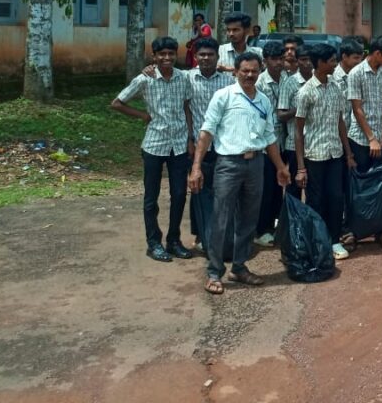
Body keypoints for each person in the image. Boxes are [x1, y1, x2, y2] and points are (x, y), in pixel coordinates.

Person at [190, 53, 291, 295]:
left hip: (256, 164)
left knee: (249, 218)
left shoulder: (264, 101)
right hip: (228, 164)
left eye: (254, 71)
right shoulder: (224, 96)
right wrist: (196, 167)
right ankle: (214, 272)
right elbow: (206, 132)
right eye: (245, 70)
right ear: (236, 71)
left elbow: (269, 138)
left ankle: (239, 266)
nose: (249, 75)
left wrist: (280, 167)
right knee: (220, 218)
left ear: (260, 71)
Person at [111, 37, 194, 262]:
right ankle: (153, 242)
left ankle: (174, 240)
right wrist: (143, 116)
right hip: (154, 145)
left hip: (178, 145)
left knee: (178, 194)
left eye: (170, 54)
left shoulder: (183, 78)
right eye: (162, 54)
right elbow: (117, 102)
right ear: (154, 56)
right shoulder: (144, 79)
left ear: (175, 55)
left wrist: (189, 138)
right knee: (151, 196)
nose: (166, 58)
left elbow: (187, 107)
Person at [295, 43, 354, 261]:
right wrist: (301, 167)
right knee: (315, 200)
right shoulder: (306, 92)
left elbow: (340, 122)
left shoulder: (336, 87)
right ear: (319, 63)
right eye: (330, 61)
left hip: (335, 154)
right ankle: (318, 241)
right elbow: (298, 131)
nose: (334, 64)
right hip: (314, 156)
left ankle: (334, 239)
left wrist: (347, 154)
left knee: (336, 198)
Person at [346, 35, 382, 250]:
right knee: (360, 187)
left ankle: (381, 231)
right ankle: (355, 231)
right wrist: (371, 138)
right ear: (377, 53)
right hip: (360, 138)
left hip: (381, 137)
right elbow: (357, 109)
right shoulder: (356, 73)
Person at [185, 38, 234, 249]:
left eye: (210, 54)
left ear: (217, 57)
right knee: (198, 188)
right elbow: (185, 109)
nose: (206, 58)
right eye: (202, 55)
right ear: (196, 57)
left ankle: (220, 234)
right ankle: (199, 234)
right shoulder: (186, 78)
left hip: (222, 145)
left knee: (221, 191)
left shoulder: (228, 81)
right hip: (197, 145)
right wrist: (189, 139)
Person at [254, 40, 287, 245]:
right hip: (264, 143)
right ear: (265, 61)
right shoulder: (258, 83)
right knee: (264, 188)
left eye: (281, 59)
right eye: (273, 59)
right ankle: (260, 229)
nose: (278, 63)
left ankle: (274, 224)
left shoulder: (287, 79)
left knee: (278, 186)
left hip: (282, 140)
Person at [277, 45, 313, 202]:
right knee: (294, 188)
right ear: (297, 62)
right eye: (304, 60)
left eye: (311, 60)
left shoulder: (319, 81)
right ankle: (292, 223)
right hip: (293, 143)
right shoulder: (290, 83)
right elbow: (281, 115)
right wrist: (300, 109)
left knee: (313, 187)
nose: (308, 64)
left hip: (314, 144)